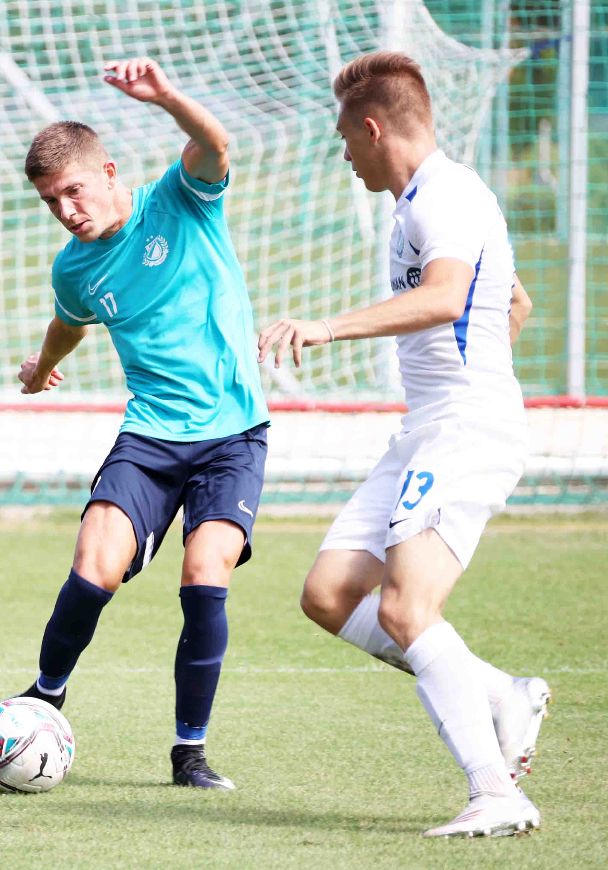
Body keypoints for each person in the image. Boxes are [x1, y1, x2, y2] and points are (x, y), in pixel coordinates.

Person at [257, 51, 547, 838]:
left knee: (406, 607)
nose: (345, 154)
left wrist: (327, 327)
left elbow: (448, 296)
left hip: (463, 427)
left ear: (374, 128)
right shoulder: (419, 201)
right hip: (430, 427)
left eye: (345, 138)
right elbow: (513, 301)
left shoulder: (445, 195)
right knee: (328, 594)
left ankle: (495, 791)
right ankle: (501, 693)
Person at [0, 57, 270, 789]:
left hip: (232, 434)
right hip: (151, 434)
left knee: (204, 573)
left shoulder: (180, 201)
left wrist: (165, 96)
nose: (66, 209)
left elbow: (216, 145)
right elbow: (70, 322)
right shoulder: (73, 268)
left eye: (73, 190)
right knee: (94, 560)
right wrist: (41, 367)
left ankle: (189, 753)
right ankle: (45, 697)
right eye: (51, 200)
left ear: (107, 172)